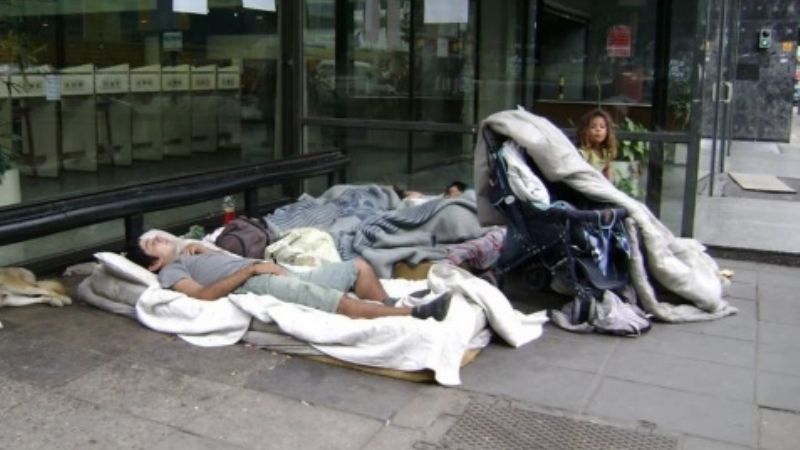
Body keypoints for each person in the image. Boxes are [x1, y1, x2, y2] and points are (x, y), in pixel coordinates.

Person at [127, 231, 451, 321]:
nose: (156, 239)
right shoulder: (171, 271)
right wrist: (251, 270)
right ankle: (412, 313)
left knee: (358, 266)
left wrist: (200, 246)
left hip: (276, 270)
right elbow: (203, 296)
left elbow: (224, 260)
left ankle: (387, 301)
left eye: (154, 236)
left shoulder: (192, 252)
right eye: (150, 244)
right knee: (334, 302)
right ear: (153, 265)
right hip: (258, 281)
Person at [577, 109, 618, 181]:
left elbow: (608, 171)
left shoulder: (605, 152)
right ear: (585, 131)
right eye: (593, 127)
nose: (598, 130)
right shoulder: (584, 153)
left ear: (607, 131)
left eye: (602, 127)